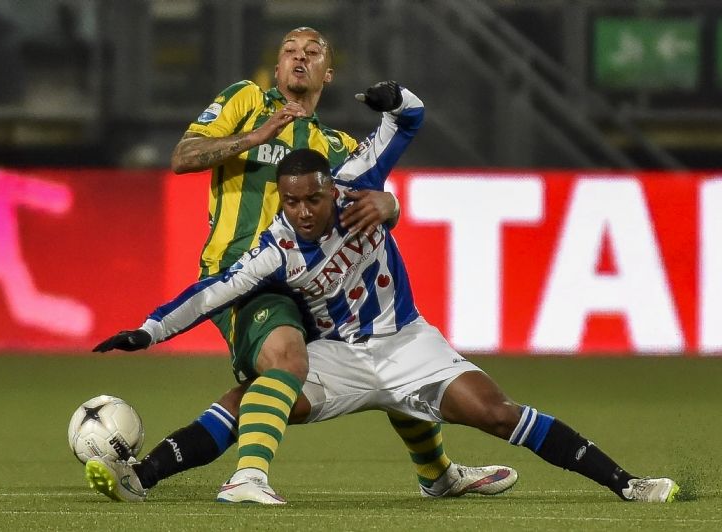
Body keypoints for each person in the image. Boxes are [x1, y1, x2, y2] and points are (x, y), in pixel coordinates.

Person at [89, 84, 679, 505]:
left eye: (311, 200)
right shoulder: (276, 248)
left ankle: (627, 483)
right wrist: (149, 330)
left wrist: (394, 98)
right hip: (338, 356)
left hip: (407, 343)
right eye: (291, 203)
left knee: (498, 414)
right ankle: (145, 475)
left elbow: (409, 121)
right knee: (256, 395)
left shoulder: (358, 187)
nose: (302, 212)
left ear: (330, 189)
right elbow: (211, 293)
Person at [91, 27, 499, 502]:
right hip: (246, 279)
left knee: (383, 353)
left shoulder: (336, 146)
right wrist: (257, 136)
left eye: (311, 52)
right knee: (286, 357)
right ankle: (246, 478)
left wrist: (392, 206)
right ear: (277, 66)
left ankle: (438, 474)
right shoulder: (246, 100)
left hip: (311, 287)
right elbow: (183, 157)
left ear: (328, 73)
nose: (299, 58)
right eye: (289, 51)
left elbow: (369, 206)